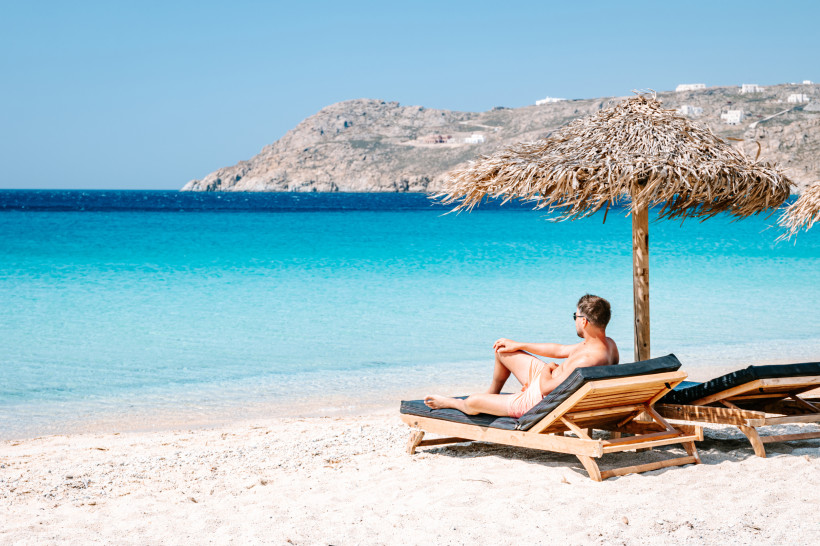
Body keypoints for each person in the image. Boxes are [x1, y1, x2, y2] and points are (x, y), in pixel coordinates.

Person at [424, 294, 619, 418]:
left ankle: (454, 403)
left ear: (584, 322)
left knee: (472, 401)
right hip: (549, 382)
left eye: (575, 317)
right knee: (503, 351)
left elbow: (546, 388)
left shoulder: (587, 360)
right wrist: (520, 344)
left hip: (538, 400)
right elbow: (559, 350)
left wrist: (546, 368)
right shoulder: (608, 345)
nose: (574, 321)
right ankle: (491, 396)